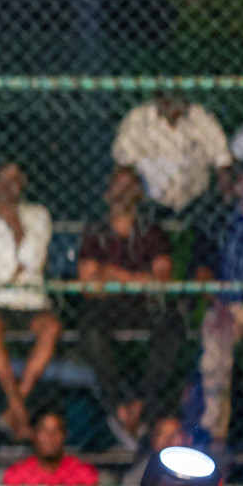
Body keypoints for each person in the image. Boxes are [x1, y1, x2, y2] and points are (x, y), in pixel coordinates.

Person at [76, 167, 185, 452]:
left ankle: (142, 402)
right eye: (117, 185)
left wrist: (112, 274)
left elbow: (161, 280)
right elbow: (89, 286)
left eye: (129, 185)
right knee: (90, 328)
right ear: (107, 192)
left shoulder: (151, 231)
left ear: (139, 193)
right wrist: (137, 278)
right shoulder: (95, 232)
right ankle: (119, 406)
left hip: (145, 305)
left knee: (172, 323)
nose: (123, 191)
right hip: (106, 306)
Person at [0, 159, 60, 442]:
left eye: (16, 180)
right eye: (3, 181)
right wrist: (16, 266)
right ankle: (17, 404)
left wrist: (17, 228)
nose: (10, 188)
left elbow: (34, 261)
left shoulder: (38, 215)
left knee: (50, 328)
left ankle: (16, 406)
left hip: (30, 299)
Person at [112, 90, 232, 220]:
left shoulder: (201, 117)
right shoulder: (139, 118)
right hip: (149, 201)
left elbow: (222, 162)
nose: (172, 104)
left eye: (177, 97)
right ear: (157, 98)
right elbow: (123, 164)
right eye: (166, 99)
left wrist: (226, 198)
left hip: (196, 203)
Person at [198, 166, 243, 454]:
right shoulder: (224, 224)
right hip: (230, 304)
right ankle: (216, 428)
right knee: (214, 332)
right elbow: (205, 272)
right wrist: (222, 305)